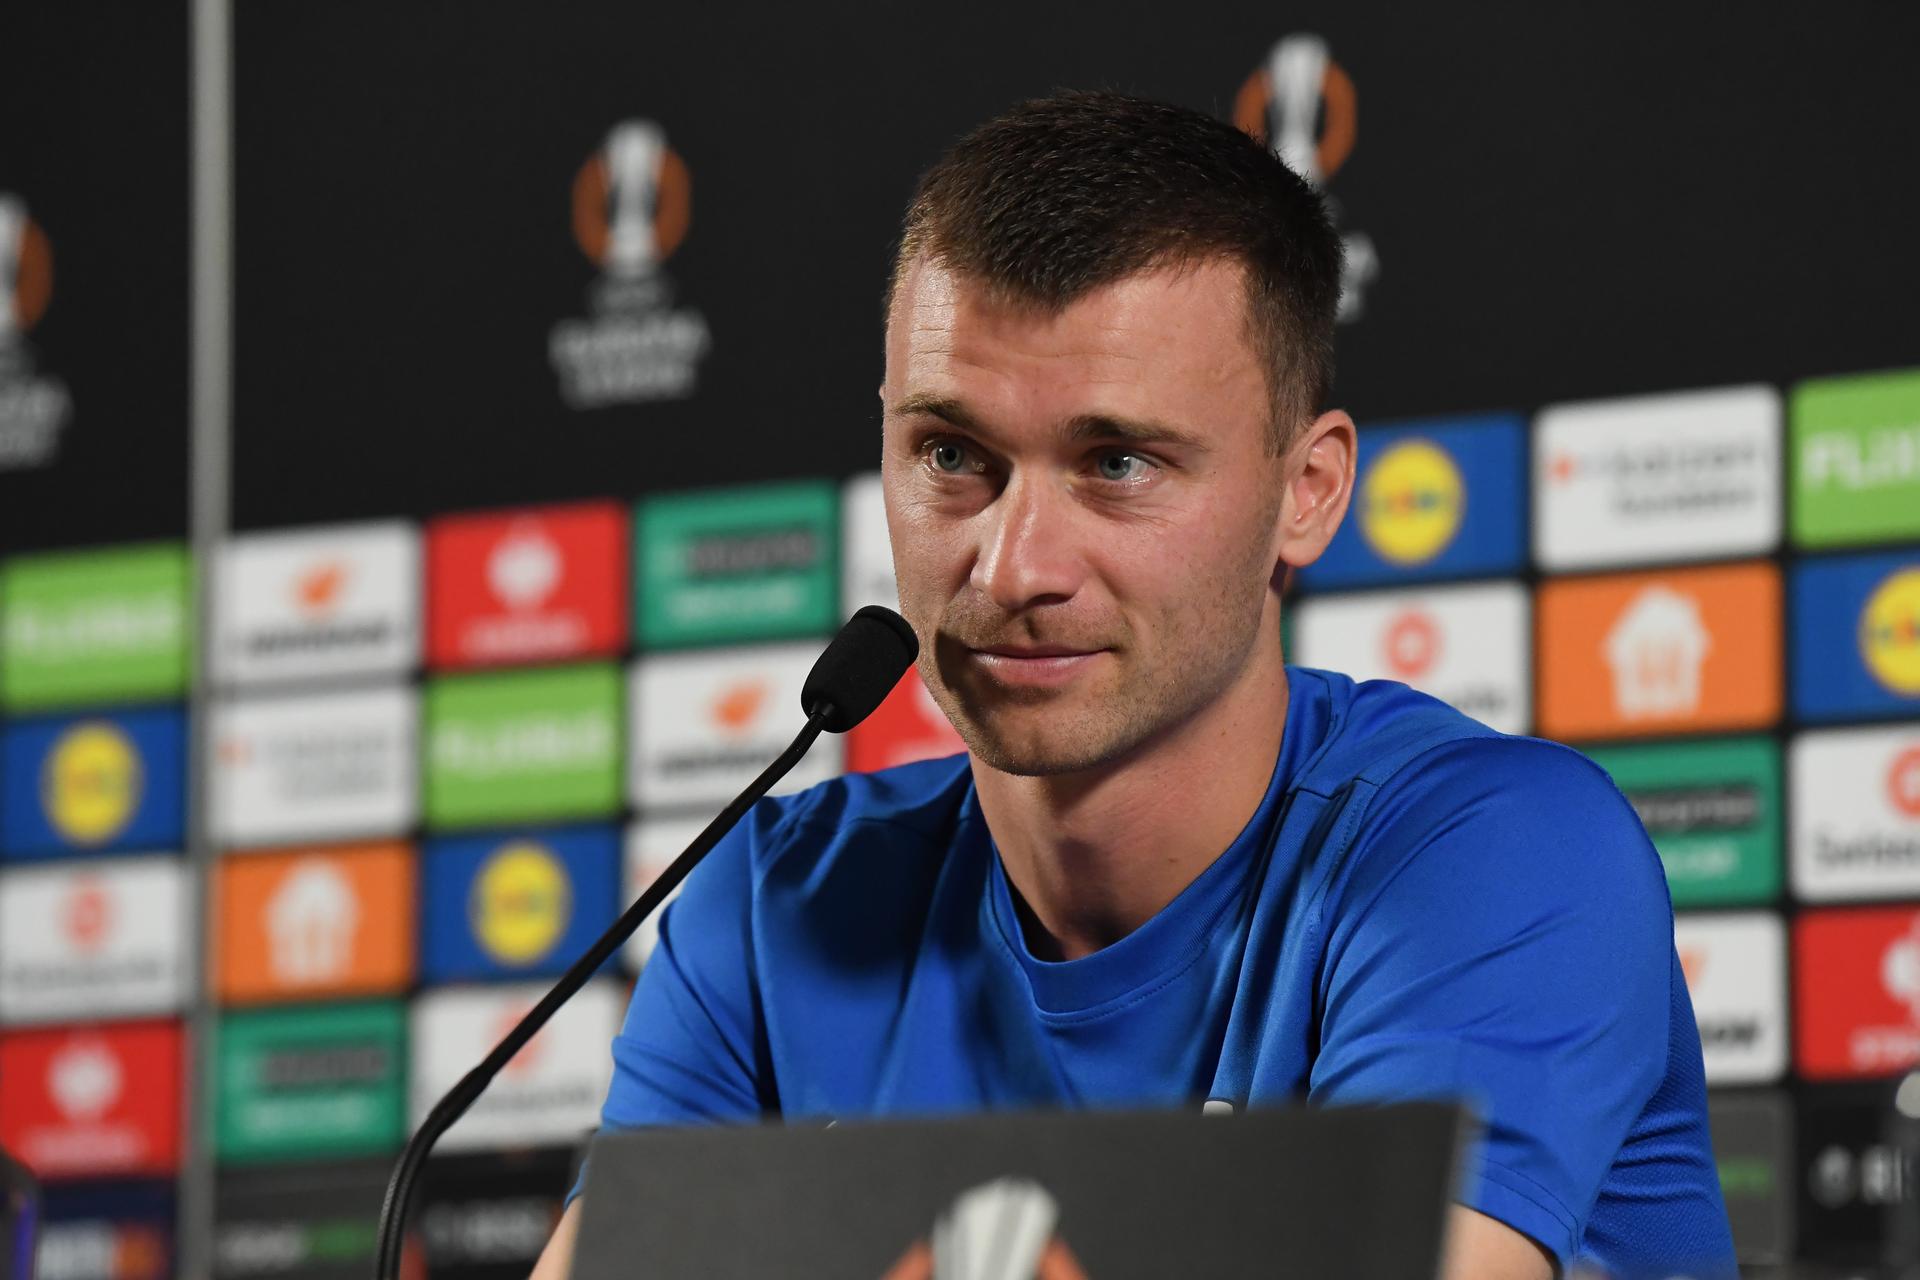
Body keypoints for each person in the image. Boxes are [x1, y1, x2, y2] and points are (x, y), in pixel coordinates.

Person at [533, 90, 1734, 1279]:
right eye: (952, 455)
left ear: (1305, 491)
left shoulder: (1499, 853)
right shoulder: (770, 900)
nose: (1012, 565)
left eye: (1117, 464)